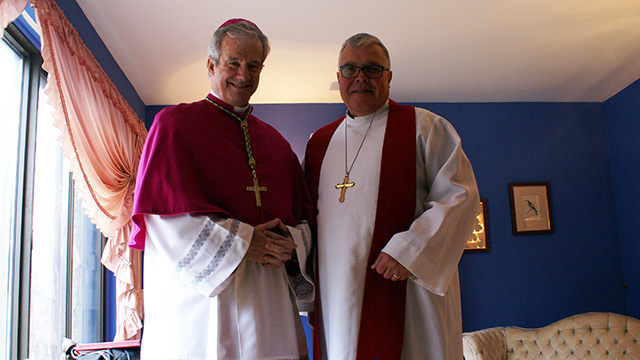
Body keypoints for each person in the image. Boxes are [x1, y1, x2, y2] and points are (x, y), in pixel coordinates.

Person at [130, 19, 314, 360]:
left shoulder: (277, 145)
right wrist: (244, 244)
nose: (243, 75)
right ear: (211, 65)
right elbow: (163, 219)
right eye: (234, 63)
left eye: (254, 66)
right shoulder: (174, 127)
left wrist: (291, 244)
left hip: (267, 302)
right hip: (202, 303)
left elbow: (304, 222)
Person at [304, 33, 480, 360]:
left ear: (389, 77)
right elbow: (306, 220)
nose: (360, 77)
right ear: (338, 77)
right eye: (350, 69)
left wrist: (410, 249)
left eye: (372, 68)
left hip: (408, 291)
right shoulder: (319, 144)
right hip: (338, 298)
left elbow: (460, 196)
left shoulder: (425, 127)